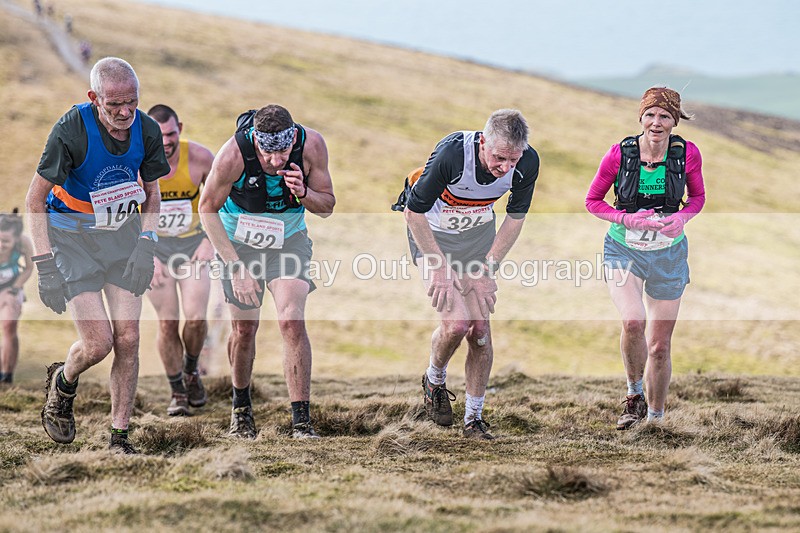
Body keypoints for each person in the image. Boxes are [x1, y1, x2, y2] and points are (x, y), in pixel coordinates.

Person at [26, 57, 169, 453]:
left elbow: (153, 193)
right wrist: (45, 266)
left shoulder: (147, 129)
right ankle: (63, 381)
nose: (125, 112)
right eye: (114, 104)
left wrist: (147, 243)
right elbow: (35, 199)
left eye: (132, 102)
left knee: (129, 337)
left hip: (121, 239)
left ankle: (119, 437)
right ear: (94, 98)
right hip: (71, 239)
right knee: (98, 344)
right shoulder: (71, 129)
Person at [199, 104, 335, 439]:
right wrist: (235, 266)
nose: (276, 162)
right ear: (255, 142)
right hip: (238, 245)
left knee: (291, 319)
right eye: (267, 154)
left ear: (293, 141)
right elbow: (206, 209)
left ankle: (301, 421)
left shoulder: (312, 145)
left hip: (288, 240)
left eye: (283, 152)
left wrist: (304, 193)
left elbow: (328, 206)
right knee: (244, 329)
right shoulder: (232, 154)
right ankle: (241, 408)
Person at [402, 109, 539, 439]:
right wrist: (438, 267)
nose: (506, 167)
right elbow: (413, 212)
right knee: (457, 324)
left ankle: (473, 419)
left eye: (513, 159)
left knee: (479, 331)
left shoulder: (528, 162)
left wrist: (487, 269)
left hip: (477, 239)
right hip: (433, 236)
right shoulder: (452, 154)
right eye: (499, 157)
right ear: (483, 142)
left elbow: (515, 219)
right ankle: (434, 380)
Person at [585, 86, 706, 429]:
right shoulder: (619, 154)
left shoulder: (687, 154)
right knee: (633, 320)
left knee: (660, 346)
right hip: (624, 250)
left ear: (674, 122)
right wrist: (626, 218)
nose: (656, 122)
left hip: (668, 254)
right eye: (650, 115)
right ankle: (634, 396)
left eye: (665, 116)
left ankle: (655, 419)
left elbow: (697, 198)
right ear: (641, 117)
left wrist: (681, 218)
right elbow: (593, 201)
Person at [144, 104, 215, 416]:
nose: (166, 141)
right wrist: (144, 252)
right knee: (167, 321)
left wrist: (209, 240)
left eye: (171, 133)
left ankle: (191, 370)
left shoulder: (200, 158)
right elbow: (124, 214)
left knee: (197, 318)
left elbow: (224, 202)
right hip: (155, 250)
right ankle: (177, 393)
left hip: (192, 247)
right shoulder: (136, 164)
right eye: (159, 136)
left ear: (180, 129)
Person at [0, 210, 34, 384]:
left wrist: (15, 288)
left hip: (11, 286)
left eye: (5, 241)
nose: (0, 245)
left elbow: (28, 268)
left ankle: (7, 375)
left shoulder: (24, 242)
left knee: (8, 327)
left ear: (15, 239)